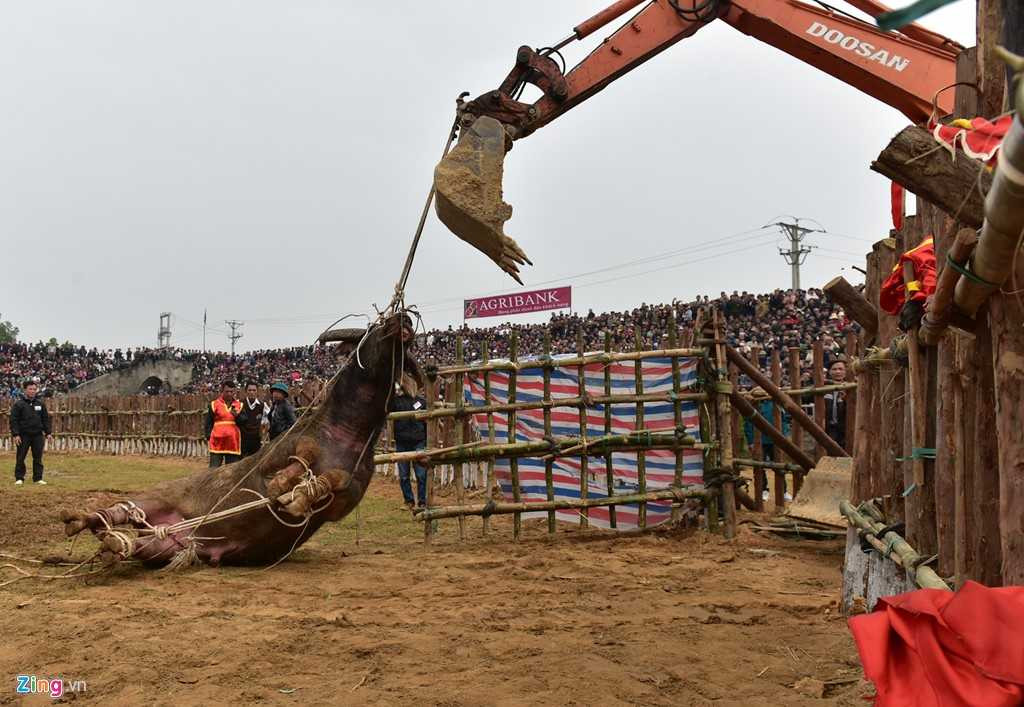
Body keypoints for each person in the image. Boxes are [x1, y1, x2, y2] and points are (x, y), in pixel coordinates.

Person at [389, 374, 427, 510]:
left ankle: (422, 502)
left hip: (418, 441)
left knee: (421, 474)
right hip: (402, 441)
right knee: (404, 475)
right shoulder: (396, 402)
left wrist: (426, 439)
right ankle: (409, 501)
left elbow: (427, 423)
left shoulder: (422, 402)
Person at [10, 380, 52, 485]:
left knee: (38, 457)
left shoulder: (40, 404)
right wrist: (16, 434)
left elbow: (45, 419)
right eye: (30, 389)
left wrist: (48, 433)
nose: (33, 391)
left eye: (34, 389)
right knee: (21, 457)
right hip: (23, 435)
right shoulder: (18, 404)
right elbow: (13, 420)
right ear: (25, 390)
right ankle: (19, 478)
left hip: (37, 435)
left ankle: (38, 478)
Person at [204, 380, 242, 468]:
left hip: (233, 442)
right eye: (227, 391)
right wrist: (209, 436)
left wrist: (237, 416)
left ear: (234, 392)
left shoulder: (239, 405)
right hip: (217, 441)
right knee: (214, 469)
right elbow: (208, 422)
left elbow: (244, 422)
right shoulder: (214, 404)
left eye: (231, 392)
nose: (229, 394)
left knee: (231, 470)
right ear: (222, 391)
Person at [236, 381, 267, 458]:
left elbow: (266, 421)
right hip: (242, 439)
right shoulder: (239, 404)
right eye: (249, 390)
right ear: (246, 392)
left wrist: (263, 436)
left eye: (254, 390)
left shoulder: (262, 405)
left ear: (257, 392)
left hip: (256, 440)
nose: (252, 392)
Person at [823, 359, 848, 450]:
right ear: (829, 372)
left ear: (845, 372)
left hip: (846, 429)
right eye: (834, 369)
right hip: (828, 428)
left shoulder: (851, 387)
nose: (838, 372)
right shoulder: (823, 387)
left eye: (841, 369)